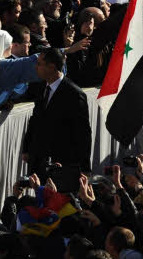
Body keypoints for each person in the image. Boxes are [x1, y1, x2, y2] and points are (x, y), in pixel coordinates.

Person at [21, 47, 91, 175]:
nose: (36, 67)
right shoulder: (42, 87)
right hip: (40, 161)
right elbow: (35, 119)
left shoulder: (74, 94)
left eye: (39, 64)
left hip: (62, 164)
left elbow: (83, 133)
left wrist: (84, 168)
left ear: (52, 67)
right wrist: (27, 148)